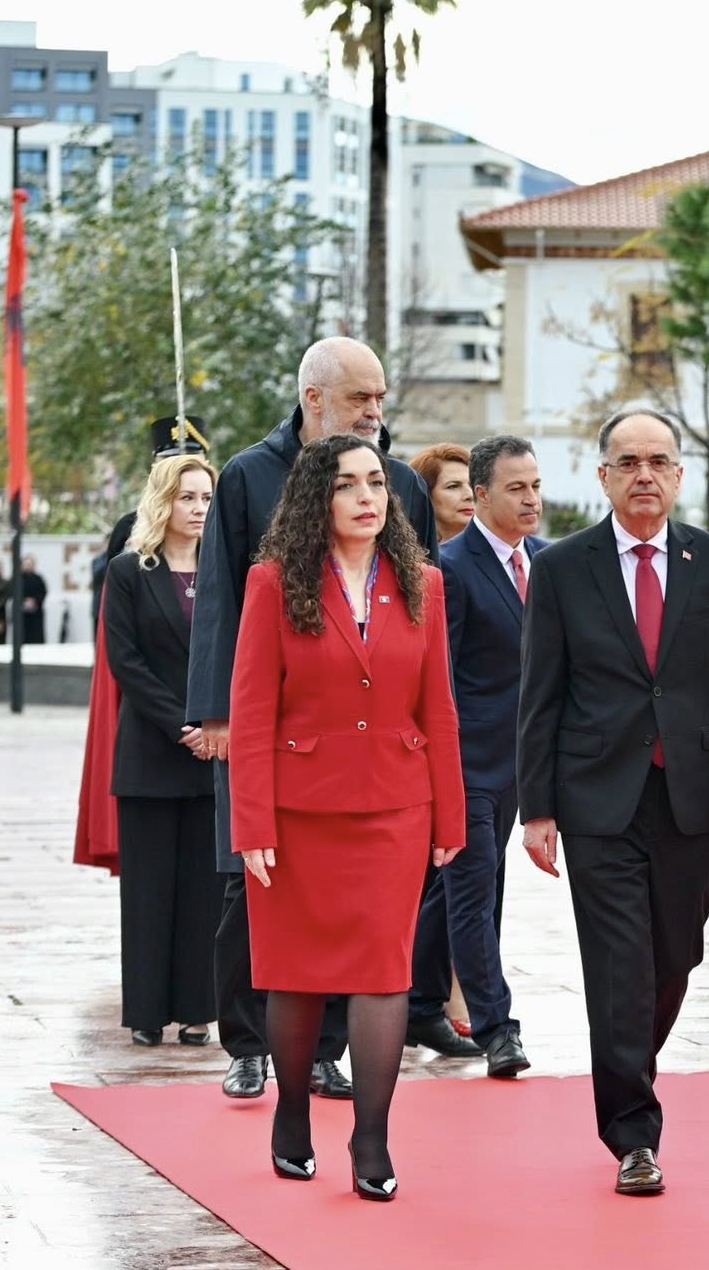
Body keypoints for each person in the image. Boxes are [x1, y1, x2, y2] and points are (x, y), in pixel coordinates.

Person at [515, 408, 709, 1196]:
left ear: (679, 473)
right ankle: (633, 1132)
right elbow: (540, 694)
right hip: (598, 800)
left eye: (659, 460)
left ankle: (630, 1061)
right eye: (628, 462)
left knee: (672, 955)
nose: (645, 474)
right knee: (620, 965)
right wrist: (538, 807)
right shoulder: (562, 568)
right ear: (604, 477)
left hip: (692, 796)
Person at [186, 336, 441, 1101]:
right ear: (314, 399)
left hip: (368, 737)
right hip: (271, 726)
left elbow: (422, 604)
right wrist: (218, 712)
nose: (375, 412)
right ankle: (246, 1041)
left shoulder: (398, 484)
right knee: (251, 885)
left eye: (381, 398)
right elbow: (223, 599)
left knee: (350, 900)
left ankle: (325, 1050)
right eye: (361, 398)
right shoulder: (246, 476)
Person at [229, 436, 466, 1200]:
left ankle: (371, 1137)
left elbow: (440, 707)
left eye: (376, 483)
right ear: (315, 500)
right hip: (298, 813)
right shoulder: (273, 583)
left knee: (383, 974)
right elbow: (252, 707)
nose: (368, 497)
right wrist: (252, 826)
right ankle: (292, 1116)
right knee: (296, 975)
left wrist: (449, 818)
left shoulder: (424, 582)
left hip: (397, 808)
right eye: (346, 485)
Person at [407, 435, 545, 1077]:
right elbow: (438, 677)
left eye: (536, 487)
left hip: (528, 762)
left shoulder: (547, 563)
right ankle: (497, 1028)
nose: (531, 500)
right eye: (516, 489)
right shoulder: (449, 568)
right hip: (466, 763)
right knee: (474, 894)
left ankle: (415, 1002)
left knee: (455, 893)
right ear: (482, 495)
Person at [104, 453, 219, 1048]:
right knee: (148, 891)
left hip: (212, 757)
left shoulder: (225, 571)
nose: (198, 509)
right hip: (152, 754)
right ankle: (147, 1011)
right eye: (187, 498)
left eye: (205, 498)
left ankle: (199, 1009)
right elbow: (125, 661)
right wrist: (185, 725)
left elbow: (232, 653)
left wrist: (215, 725)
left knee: (203, 890)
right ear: (163, 501)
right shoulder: (130, 571)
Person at [411, 443, 476, 543]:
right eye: (453, 486)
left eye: (473, 485)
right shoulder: (402, 556)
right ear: (425, 495)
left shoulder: (503, 552)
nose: (470, 495)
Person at [18, 555, 48, 644]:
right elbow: (14, 593)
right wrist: (24, 602)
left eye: (30, 564)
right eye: (26, 564)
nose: (28, 566)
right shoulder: (18, 579)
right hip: (22, 613)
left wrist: (34, 601)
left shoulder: (38, 578)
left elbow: (43, 592)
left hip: (36, 613)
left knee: (36, 637)